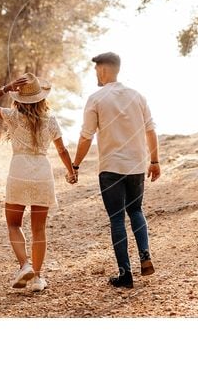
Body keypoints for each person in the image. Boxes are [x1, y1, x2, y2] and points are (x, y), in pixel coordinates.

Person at [69, 52, 161, 289]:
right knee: (136, 211)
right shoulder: (137, 96)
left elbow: (86, 136)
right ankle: (145, 255)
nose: (96, 75)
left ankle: (125, 274)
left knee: (117, 218)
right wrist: (155, 161)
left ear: (102, 70)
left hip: (111, 168)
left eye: (96, 70)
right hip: (136, 166)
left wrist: (75, 165)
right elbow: (150, 130)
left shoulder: (97, 99)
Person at [0, 72, 75, 292]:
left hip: (19, 171)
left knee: (14, 224)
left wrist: (6, 88)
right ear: (41, 98)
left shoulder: (12, 116)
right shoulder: (51, 120)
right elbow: (61, 149)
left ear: (19, 98)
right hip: (43, 174)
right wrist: (71, 172)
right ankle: (37, 278)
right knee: (39, 229)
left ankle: (25, 265)